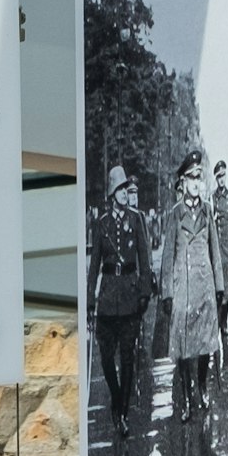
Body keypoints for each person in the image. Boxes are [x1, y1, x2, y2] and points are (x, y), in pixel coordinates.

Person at [159, 151, 228, 423]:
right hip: (183, 288)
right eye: (191, 178)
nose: (196, 182)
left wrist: (219, 287)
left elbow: (215, 251)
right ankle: (186, 392)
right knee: (182, 349)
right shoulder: (175, 214)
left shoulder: (207, 210)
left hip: (204, 287)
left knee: (205, 345)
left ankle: (202, 385)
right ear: (182, 181)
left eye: (198, 177)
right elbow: (168, 254)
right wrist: (167, 293)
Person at [88, 164, 157, 435]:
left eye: (125, 190)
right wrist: (90, 302)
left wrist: (144, 293)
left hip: (129, 298)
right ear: (112, 193)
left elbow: (144, 258)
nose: (125, 194)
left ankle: (123, 413)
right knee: (107, 359)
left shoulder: (136, 219)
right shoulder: (101, 224)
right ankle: (117, 398)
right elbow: (94, 266)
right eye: (120, 190)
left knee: (127, 359)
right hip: (107, 300)